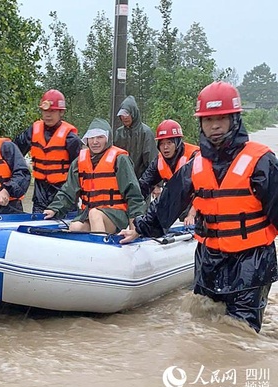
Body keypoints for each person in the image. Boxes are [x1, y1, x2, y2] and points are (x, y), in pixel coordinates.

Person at [119, 81, 278, 333]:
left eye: (221, 119)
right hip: (209, 262)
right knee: (202, 330)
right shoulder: (195, 166)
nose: (214, 126)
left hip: (251, 263)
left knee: (239, 336)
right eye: (207, 120)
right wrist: (138, 228)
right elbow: (166, 206)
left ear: (234, 119)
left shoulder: (262, 162)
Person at [43, 118, 146, 234]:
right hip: (88, 214)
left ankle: (101, 249)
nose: (95, 142)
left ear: (108, 139)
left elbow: (133, 195)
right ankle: (93, 244)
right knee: (75, 227)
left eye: (100, 137)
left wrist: (135, 227)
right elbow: (68, 191)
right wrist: (54, 208)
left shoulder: (120, 159)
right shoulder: (79, 162)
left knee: (95, 213)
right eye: (91, 138)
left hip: (115, 215)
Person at [14, 89, 82, 213]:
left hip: (64, 194)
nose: (48, 115)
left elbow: (80, 171)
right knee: (36, 228)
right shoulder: (33, 131)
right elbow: (14, 152)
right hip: (40, 193)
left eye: (52, 111)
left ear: (61, 112)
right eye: (45, 111)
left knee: (65, 229)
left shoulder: (71, 139)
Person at [139, 119, 200, 225]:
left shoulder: (195, 156)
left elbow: (205, 189)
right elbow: (144, 184)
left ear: (177, 142)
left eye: (169, 142)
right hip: (178, 206)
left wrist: (192, 214)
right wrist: (134, 209)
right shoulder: (159, 161)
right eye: (162, 143)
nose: (165, 147)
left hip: (199, 206)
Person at [113, 95, 158, 180]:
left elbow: (152, 160)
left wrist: (156, 184)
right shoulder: (119, 133)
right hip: (121, 182)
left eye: (128, 114)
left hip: (142, 182)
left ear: (134, 113)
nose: (125, 117)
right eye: (122, 114)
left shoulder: (146, 132)